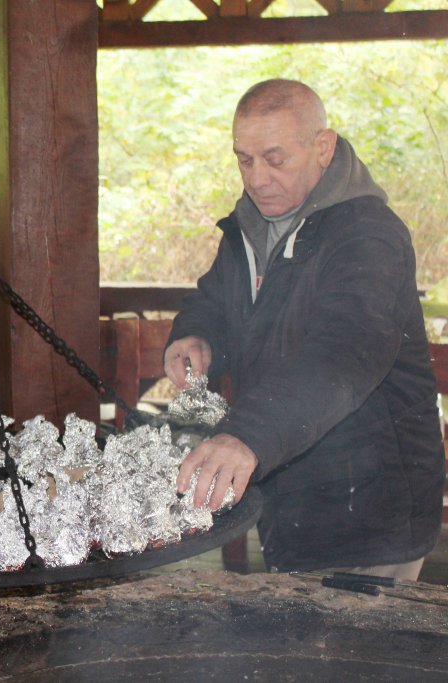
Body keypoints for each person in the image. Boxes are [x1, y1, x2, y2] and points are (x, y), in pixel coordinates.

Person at [164, 79, 444, 579]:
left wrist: (245, 435)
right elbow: (215, 300)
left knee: (362, 654)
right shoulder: (248, 228)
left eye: (275, 159)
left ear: (323, 147)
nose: (257, 178)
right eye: (244, 159)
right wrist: (196, 334)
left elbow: (345, 352)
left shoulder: (369, 235)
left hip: (371, 506)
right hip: (291, 494)